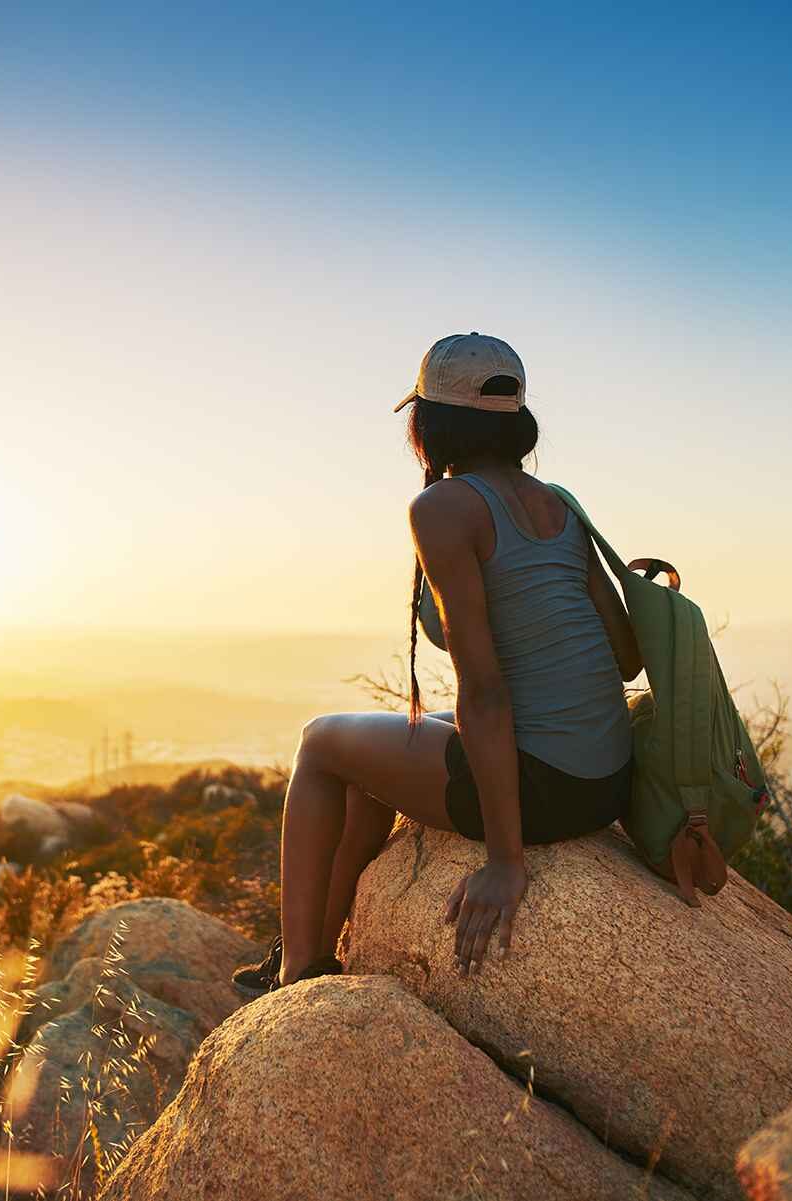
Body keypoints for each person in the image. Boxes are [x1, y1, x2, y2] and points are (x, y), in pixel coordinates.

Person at [232, 332, 643, 996]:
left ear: (430, 422)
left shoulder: (445, 507)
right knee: (365, 765)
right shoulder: (560, 505)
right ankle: (313, 942)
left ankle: (295, 975)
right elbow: (626, 658)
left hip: (546, 786)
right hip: (606, 779)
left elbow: (483, 692)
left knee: (318, 743)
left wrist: (506, 861)